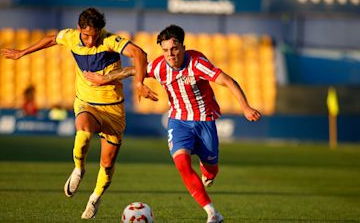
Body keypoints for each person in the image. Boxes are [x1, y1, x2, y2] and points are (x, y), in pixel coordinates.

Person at [85, 25, 261, 223]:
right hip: (178, 121)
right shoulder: (160, 66)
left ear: (183, 47)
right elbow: (133, 70)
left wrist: (245, 107)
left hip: (204, 122)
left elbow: (228, 81)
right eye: (166, 50)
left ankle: (207, 171)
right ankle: (212, 213)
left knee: (211, 171)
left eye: (175, 49)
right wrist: (105, 78)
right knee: (182, 164)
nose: (171, 54)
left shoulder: (197, 63)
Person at [1, 7, 157, 220]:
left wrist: (137, 83)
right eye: (86, 35)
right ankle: (78, 170)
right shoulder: (71, 37)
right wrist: (22, 52)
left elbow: (139, 54)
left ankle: (95, 198)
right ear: (78, 29)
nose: (91, 41)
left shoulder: (110, 40)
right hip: (86, 103)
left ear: (101, 31)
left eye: (95, 36)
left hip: (113, 109)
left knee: (107, 163)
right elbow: (51, 38)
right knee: (82, 130)